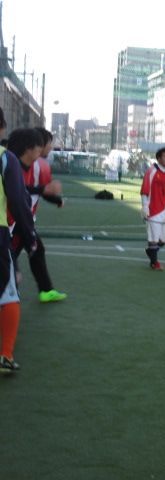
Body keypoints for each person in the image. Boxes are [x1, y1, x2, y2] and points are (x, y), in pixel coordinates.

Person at [0, 115, 40, 373]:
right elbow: (17, 199)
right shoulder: (6, 158)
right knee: (8, 294)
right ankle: (5, 355)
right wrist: (30, 235)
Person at [8, 127, 66, 303]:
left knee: (35, 250)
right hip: (14, 222)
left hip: (22, 219)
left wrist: (51, 195)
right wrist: (45, 190)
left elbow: (26, 191)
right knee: (10, 260)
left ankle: (45, 289)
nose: (47, 148)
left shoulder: (26, 165)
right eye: (44, 144)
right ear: (30, 147)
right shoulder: (13, 165)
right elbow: (19, 192)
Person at [141, 147, 165, 271]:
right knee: (153, 237)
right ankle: (154, 262)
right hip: (153, 210)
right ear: (159, 158)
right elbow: (145, 190)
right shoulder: (151, 171)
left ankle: (151, 251)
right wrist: (144, 206)